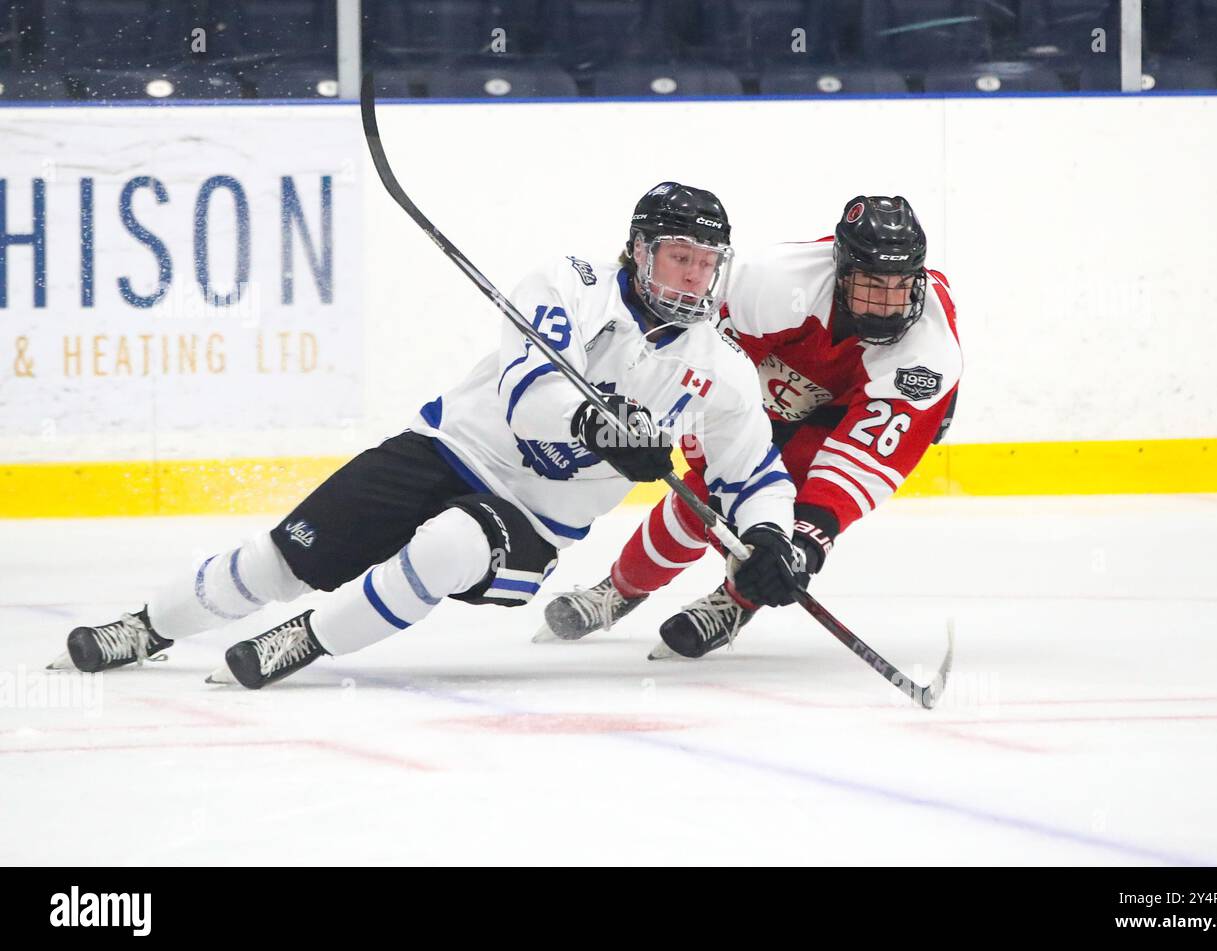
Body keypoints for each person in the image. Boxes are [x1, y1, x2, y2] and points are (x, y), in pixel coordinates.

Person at [52, 182, 800, 689]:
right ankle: (146, 628)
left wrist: (771, 541)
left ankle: (307, 640)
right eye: (680, 256)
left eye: (707, 265)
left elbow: (755, 475)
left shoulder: (721, 371)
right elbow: (524, 396)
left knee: (451, 545)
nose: (695, 278)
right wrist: (595, 425)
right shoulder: (568, 283)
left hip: (532, 521)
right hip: (447, 450)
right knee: (283, 558)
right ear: (638, 249)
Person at [539, 195, 961, 660]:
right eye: (871, 284)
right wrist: (718, 470)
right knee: (708, 489)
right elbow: (709, 371)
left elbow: (863, 464)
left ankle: (737, 601)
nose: (887, 302)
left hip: (849, 410)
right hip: (763, 381)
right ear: (841, 271)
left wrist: (802, 546)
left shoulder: (929, 352)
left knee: (789, 521)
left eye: (901, 284)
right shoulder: (775, 281)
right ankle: (619, 589)